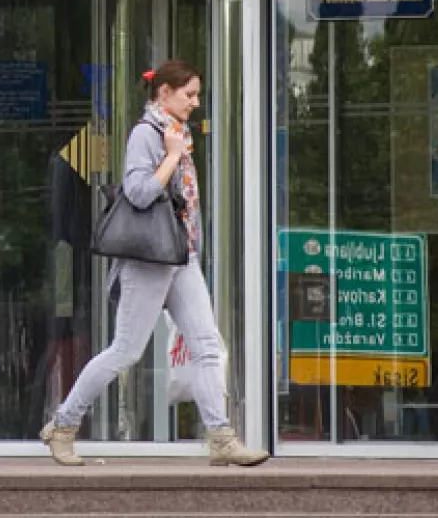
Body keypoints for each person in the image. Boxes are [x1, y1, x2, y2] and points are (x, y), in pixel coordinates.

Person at [39, 59, 269, 467]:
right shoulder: (147, 134)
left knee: (208, 347)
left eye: (197, 95)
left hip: (181, 255)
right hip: (149, 259)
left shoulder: (175, 133)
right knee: (125, 351)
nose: (196, 102)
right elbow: (139, 192)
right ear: (164, 93)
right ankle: (63, 424)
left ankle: (221, 437)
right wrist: (171, 158)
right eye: (189, 94)